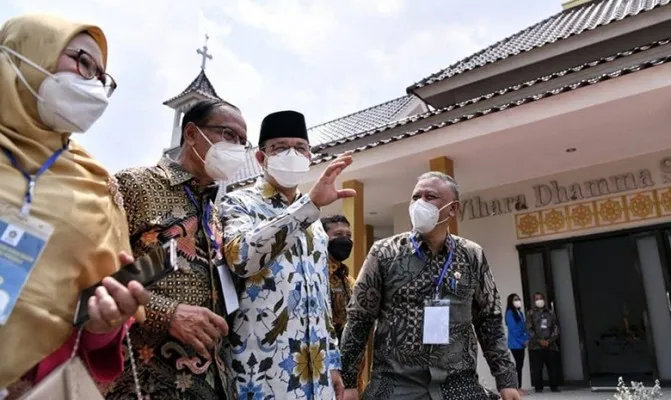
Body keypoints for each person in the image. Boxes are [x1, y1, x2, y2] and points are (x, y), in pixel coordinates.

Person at [0, 14, 150, 398]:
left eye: (102, 77)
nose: (94, 84)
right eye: (83, 62)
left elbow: (89, 327)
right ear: (27, 52)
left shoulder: (95, 185)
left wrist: (105, 324)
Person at [105, 99, 248, 400]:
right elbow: (97, 279)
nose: (237, 147)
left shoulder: (215, 214)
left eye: (243, 142)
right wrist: (165, 313)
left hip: (213, 383)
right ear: (192, 134)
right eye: (228, 134)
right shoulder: (134, 185)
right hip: (141, 381)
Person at [340, 171, 520, 400]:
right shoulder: (384, 253)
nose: (419, 204)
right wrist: (348, 382)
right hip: (395, 386)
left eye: (430, 196)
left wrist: (506, 380)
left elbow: (489, 320)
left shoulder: (471, 255)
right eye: (415, 197)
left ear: (453, 209)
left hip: (458, 385)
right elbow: (359, 318)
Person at [220, 110, 351, 399]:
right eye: (279, 147)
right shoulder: (238, 203)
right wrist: (309, 206)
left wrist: (332, 362)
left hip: (316, 375)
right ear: (260, 157)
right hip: (262, 373)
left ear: (309, 155)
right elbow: (241, 257)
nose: (291, 154)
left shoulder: (315, 223)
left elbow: (321, 298)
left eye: (299, 147)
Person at [320, 214, 355, 342]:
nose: (345, 239)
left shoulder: (349, 280)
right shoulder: (316, 276)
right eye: (338, 234)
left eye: (348, 236)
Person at [526, 292, 560, 393]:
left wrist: (549, 341)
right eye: (537, 299)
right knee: (537, 369)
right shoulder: (530, 313)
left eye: (541, 298)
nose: (539, 300)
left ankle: (554, 387)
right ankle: (538, 388)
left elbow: (556, 328)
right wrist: (539, 340)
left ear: (544, 300)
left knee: (553, 368)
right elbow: (529, 329)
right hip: (536, 346)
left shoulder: (550, 313)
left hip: (550, 345)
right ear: (534, 301)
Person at [505, 293, 529, 394]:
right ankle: (515, 388)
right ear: (511, 301)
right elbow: (514, 329)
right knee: (517, 365)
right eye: (515, 299)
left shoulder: (520, 313)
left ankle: (519, 386)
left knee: (520, 365)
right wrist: (523, 340)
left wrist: (527, 338)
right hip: (515, 343)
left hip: (521, 343)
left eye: (518, 299)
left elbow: (525, 328)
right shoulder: (510, 313)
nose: (518, 301)